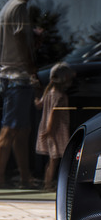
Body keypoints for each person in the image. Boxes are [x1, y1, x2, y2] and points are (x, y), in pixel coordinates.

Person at [0, 0, 43, 189]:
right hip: (17, 76)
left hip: (8, 75)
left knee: (22, 129)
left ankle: (24, 177)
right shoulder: (19, 8)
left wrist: (34, 38)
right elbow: (20, 43)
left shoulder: (7, 8)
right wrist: (32, 71)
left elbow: (18, 39)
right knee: (11, 128)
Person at [35, 62, 75, 190]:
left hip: (51, 130)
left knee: (52, 160)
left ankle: (48, 182)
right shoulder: (60, 96)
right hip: (57, 131)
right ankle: (49, 183)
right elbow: (54, 114)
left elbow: (39, 104)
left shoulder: (48, 93)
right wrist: (50, 130)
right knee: (55, 160)